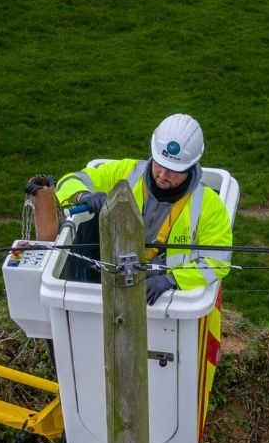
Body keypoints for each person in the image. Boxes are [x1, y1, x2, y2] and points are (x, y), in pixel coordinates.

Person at [51, 113, 234, 303]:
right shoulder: (125, 173)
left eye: (173, 170)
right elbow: (70, 180)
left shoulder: (209, 205)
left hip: (167, 298)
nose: (163, 174)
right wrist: (83, 195)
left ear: (190, 167)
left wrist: (172, 280)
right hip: (111, 277)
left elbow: (218, 261)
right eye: (160, 164)